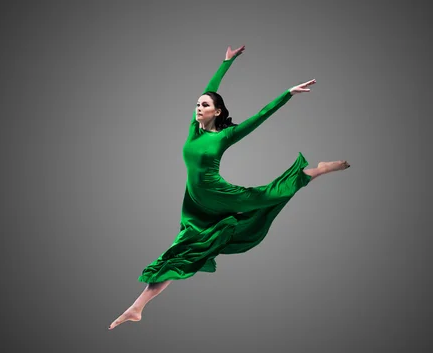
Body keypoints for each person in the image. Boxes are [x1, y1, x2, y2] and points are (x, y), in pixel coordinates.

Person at [108, 45, 350, 330]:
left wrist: (287, 94)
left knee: (267, 196)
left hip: (219, 195)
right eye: (197, 105)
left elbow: (260, 116)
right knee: (182, 253)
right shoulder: (192, 128)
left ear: (217, 111)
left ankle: (315, 171)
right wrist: (226, 62)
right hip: (195, 206)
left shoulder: (226, 136)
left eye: (205, 105)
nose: (198, 108)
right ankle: (137, 308)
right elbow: (208, 87)